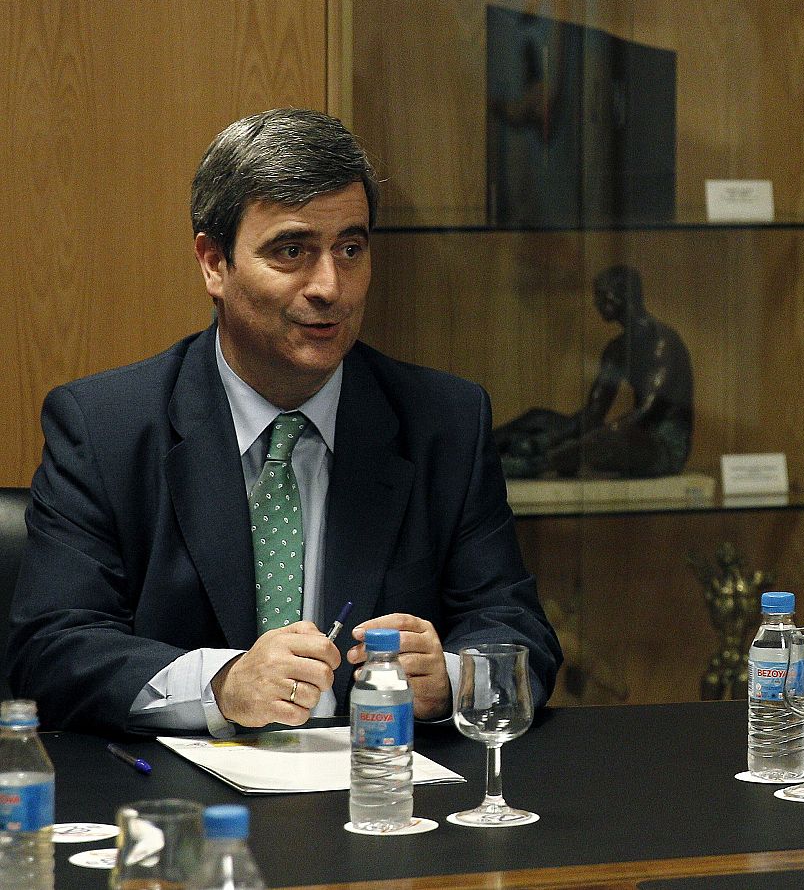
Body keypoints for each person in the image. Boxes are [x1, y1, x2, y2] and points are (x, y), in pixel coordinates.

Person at [4, 108, 562, 736]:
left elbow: (517, 629)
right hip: (178, 805)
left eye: (351, 249)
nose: (331, 286)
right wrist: (220, 684)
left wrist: (457, 678)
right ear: (214, 263)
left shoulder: (444, 422)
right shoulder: (105, 428)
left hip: (385, 796)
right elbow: (50, 651)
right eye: (293, 251)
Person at [494, 264, 693, 478]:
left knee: (610, 437)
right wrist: (552, 435)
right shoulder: (616, 350)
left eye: (601, 295)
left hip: (662, 446)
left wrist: (568, 444)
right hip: (630, 434)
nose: (596, 303)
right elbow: (593, 413)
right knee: (538, 418)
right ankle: (483, 447)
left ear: (622, 295)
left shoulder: (661, 343)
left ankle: (536, 464)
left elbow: (648, 412)